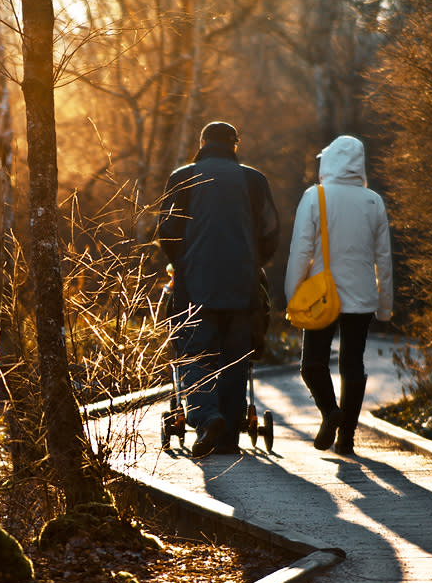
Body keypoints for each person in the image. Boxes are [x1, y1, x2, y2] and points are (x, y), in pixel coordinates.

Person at [157, 121, 279, 457]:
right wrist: (255, 262)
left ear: (202, 143)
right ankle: (226, 440)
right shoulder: (254, 180)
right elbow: (270, 230)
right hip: (242, 287)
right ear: (234, 145)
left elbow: (166, 229)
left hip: (194, 286)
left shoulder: (182, 177)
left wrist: (181, 263)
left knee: (196, 353)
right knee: (235, 358)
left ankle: (207, 417)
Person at [284, 135, 393, 454]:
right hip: (361, 296)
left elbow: (301, 251)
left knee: (311, 364)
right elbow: (383, 257)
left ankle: (330, 412)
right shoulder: (373, 201)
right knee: (352, 365)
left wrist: (293, 297)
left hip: (320, 297)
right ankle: (346, 437)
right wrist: (385, 307)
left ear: (327, 162)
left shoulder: (314, 197)